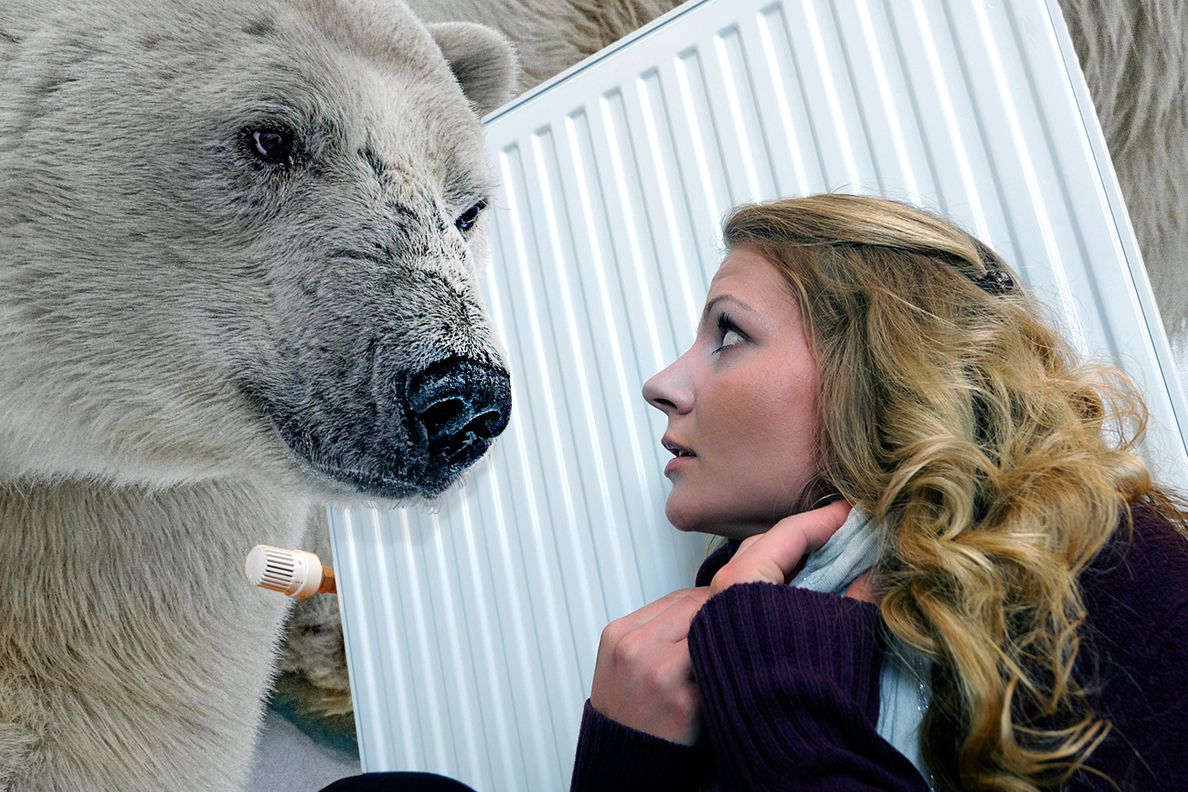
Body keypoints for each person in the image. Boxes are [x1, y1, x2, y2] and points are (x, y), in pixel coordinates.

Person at [569, 194, 1188, 791]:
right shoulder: (700, 645)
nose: (659, 385)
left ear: (880, 363)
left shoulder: (1128, 582)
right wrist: (630, 761)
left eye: (728, 334)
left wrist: (772, 679)